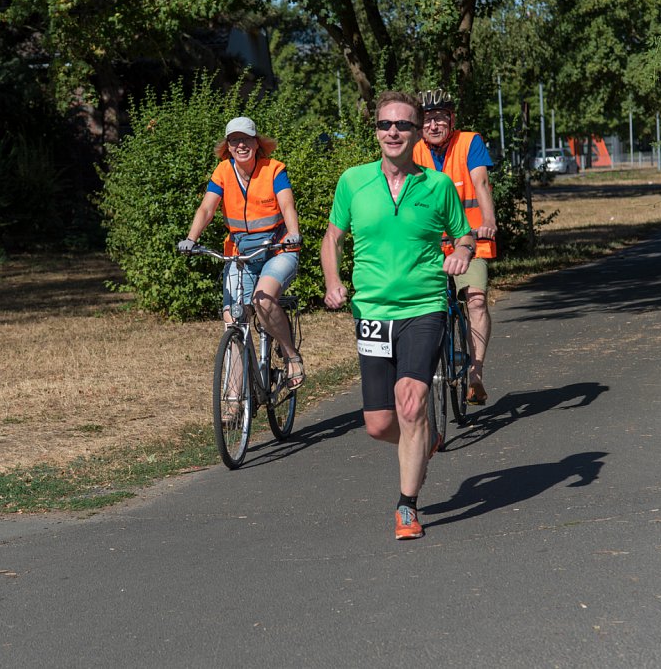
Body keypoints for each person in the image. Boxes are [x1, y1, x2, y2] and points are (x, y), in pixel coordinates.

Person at [321, 91, 474, 540]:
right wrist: (333, 281)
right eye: (386, 125)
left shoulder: (437, 185)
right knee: (379, 424)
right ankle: (421, 439)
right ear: (376, 131)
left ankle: (406, 506)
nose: (393, 132)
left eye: (403, 126)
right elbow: (332, 239)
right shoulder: (353, 181)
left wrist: (462, 254)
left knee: (410, 401)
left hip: (424, 307)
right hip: (371, 310)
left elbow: (464, 237)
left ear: (415, 133)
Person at [179, 117, 305, 408]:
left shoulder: (274, 169)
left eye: (246, 139)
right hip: (240, 254)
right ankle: (234, 400)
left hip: (277, 249)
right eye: (234, 140)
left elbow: (287, 203)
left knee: (262, 301)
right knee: (233, 320)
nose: (240, 145)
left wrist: (294, 234)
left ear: (256, 143)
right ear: (227, 146)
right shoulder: (223, 171)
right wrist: (191, 238)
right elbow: (207, 207)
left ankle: (290, 355)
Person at [412, 89, 498, 406]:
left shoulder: (469, 142)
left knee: (475, 300)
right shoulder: (412, 150)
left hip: (469, 240)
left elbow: (481, 184)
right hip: (428, 245)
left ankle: (475, 374)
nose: (433, 125)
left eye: (439, 118)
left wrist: (488, 220)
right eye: (427, 119)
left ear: (451, 119)